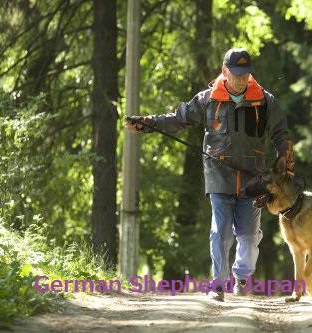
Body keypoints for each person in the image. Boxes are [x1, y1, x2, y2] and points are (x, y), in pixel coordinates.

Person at [125, 48, 294, 301]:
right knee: (221, 231)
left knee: (248, 234)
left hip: (254, 179)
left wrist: (287, 167)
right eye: (236, 74)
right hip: (218, 176)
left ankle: (242, 278)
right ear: (225, 72)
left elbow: (281, 134)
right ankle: (218, 285)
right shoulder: (207, 99)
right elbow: (178, 119)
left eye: (246, 74)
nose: (241, 79)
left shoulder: (265, 101)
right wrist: (148, 122)